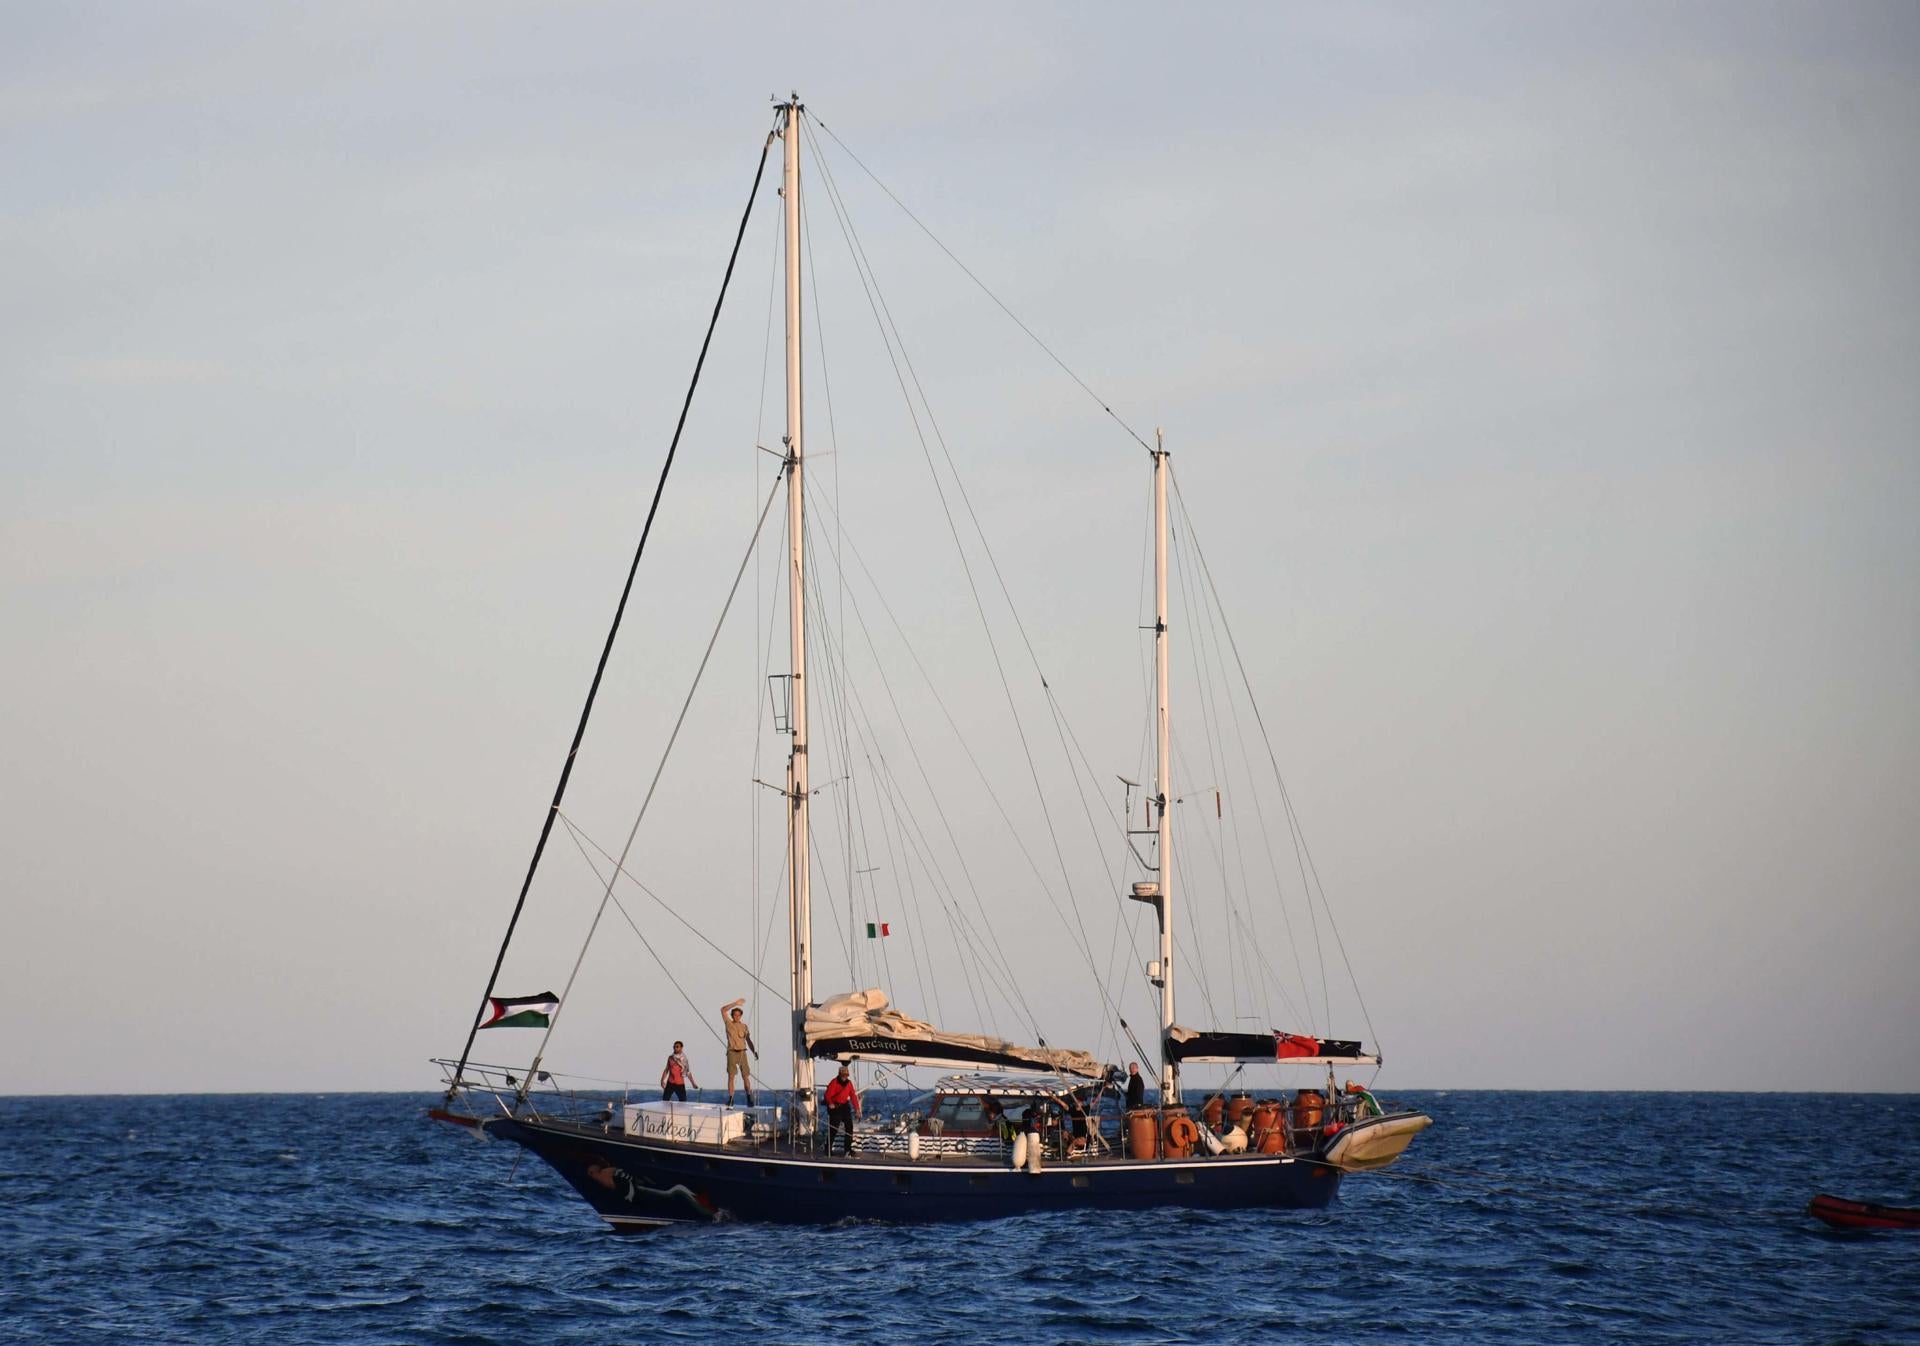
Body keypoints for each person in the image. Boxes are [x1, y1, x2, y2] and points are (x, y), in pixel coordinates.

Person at [720, 998, 758, 1106]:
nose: (736, 1017)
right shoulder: (729, 1023)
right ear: (732, 1016)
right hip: (732, 1052)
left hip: (742, 1053)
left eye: (738, 1015)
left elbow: (748, 1040)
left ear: (741, 1016)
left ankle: (749, 1098)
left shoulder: (744, 1026)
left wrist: (753, 1051)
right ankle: (731, 1098)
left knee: (745, 1076)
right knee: (731, 1076)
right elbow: (722, 1010)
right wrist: (735, 1003)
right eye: (735, 1015)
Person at [823, 1064, 860, 1156]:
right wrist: (830, 1103)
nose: (844, 1078)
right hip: (835, 1106)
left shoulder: (849, 1083)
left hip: (844, 1106)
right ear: (839, 1074)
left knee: (849, 1127)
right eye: (843, 1076)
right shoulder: (834, 1082)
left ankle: (847, 1149)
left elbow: (853, 1097)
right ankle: (828, 1149)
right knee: (834, 1128)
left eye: (846, 1076)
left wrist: (857, 1109)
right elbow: (827, 1095)